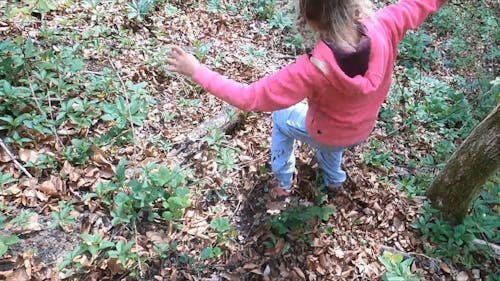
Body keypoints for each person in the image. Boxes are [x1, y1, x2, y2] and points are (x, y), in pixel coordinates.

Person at [166, 0, 448, 200]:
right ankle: (334, 180)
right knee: (334, 139)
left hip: (327, 132)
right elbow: (422, 3)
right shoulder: (385, 26)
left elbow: (249, 97)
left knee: (280, 118)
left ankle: (283, 181)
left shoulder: (311, 71)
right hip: (361, 130)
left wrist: (196, 70)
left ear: (310, 18)